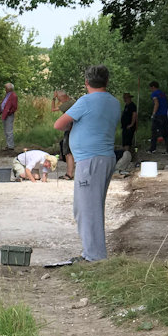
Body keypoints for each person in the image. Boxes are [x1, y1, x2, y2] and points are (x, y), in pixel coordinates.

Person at [54, 65, 121, 262]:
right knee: (91, 206)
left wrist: (74, 124)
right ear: (106, 82)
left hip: (90, 160)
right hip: (106, 157)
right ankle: (93, 252)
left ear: (86, 83)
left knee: (87, 208)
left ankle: (94, 256)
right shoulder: (114, 102)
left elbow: (58, 124)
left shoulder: (86, 101)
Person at [52, 90, 77, 180]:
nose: (59, 101)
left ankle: (69, 174)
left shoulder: (68, 104)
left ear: (63, 97)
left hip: (70, 130)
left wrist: (53, 99)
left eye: (59, 99)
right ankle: (70, 173)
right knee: (70, 152)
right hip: (74, 129)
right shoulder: (73, 101)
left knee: (68, 152)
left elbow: (53, 109)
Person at [147, 81, 168, 154]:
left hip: (159, 115)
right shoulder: (162, 93)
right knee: (165, 132)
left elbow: (156, 103)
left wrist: (153, 114)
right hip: (165, 114)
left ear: (153, 87)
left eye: (150, 88)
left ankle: (152, 148)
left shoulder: (154, 93)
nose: (150, 89)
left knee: (154, 131)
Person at [0, 83, 18, 150]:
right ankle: (8, 145)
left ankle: (10, 146)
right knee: (6, 130)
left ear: (9, 88)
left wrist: (9, 112)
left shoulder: (13, 96)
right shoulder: (7, 95)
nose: (5, 89)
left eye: (6, 88)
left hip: (8, 115)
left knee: (9, 130)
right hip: (4, 114)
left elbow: (14, 107)